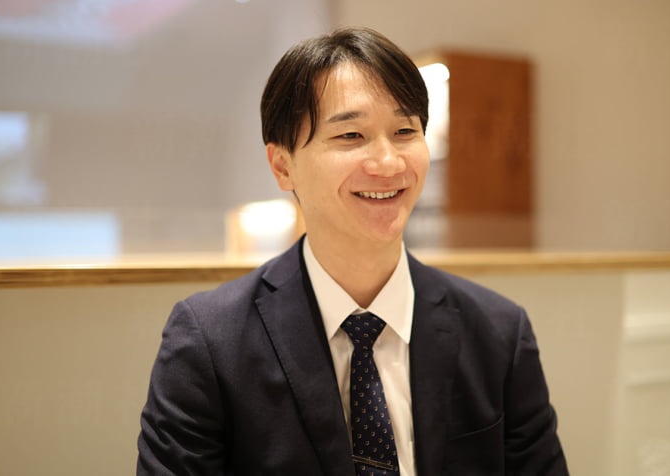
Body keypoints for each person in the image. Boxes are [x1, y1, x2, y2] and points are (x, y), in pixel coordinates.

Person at [137, 27, 568, 475]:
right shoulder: (209, 342)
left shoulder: (499, 333)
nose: (388, 162)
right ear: (283, 166)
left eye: (405, 131)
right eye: (350, 135)